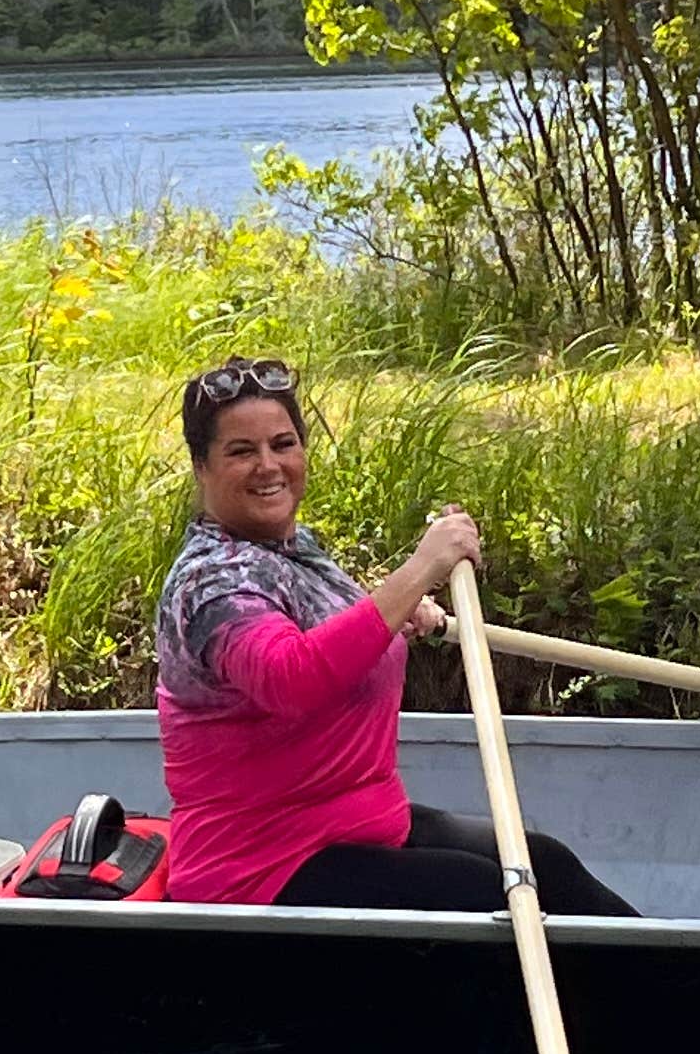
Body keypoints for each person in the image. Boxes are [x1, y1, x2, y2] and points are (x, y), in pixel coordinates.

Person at [155, 356, 639, 916]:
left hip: (358, 826)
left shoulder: (292, 549)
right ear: (202, 466)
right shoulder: (213, 581)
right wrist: (421, 569)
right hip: (261, 865)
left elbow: (334, 628)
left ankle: (686, 962)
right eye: (242, 451)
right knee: (484, 894)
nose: (269, 465)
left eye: (283, 444)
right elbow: (291, 679)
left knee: (544, 864)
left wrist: (400, 610)